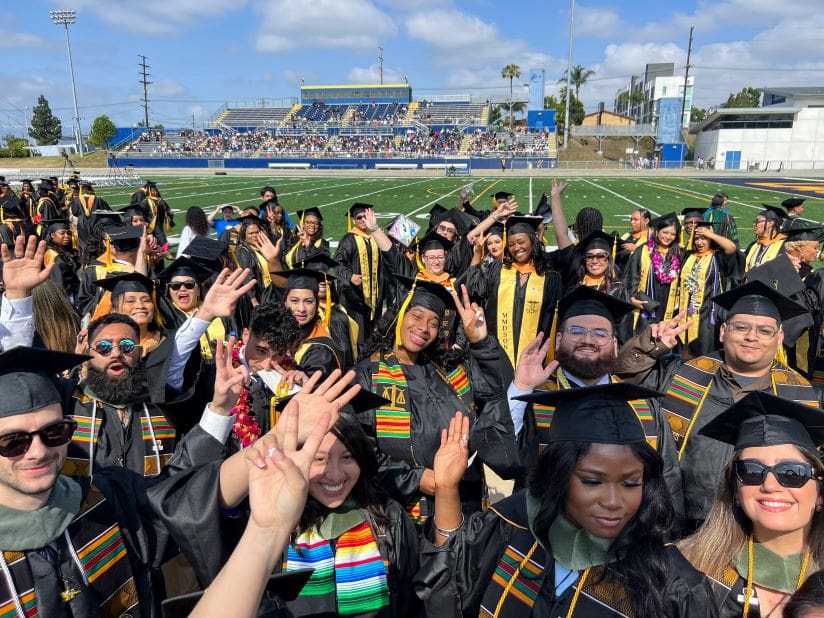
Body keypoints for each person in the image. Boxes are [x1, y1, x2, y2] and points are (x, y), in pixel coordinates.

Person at [417, 384, 716, 617]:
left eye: (630, 483)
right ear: (558, 476)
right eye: (592, 481)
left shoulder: (670, 579)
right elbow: (451, 590)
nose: (614, 501)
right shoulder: (516, 524)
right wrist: (446, 489)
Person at [615, 281, 823, 532]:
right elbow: (625, 376)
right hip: (683, 523)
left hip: (764, 528)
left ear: (779, 338)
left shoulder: (804, 394)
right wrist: (648, 345)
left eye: (764, 330)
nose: (751, 336)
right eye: (741, 327)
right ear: (723, 331)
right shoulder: (680, 375)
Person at [505, 286, 683, 512]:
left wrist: (666, 540)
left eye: (600, 334)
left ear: (615, 346)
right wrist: (521, 386)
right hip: (547, 536)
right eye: (577, 331)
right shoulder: (535, 400)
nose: (588, 340)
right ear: (558, 340)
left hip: (629, 539)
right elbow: (503, 458)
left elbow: (667, 479)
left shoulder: (642, 404)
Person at [355, 280, 519, 521]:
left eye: (433, 323)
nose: (423, 328)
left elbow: (496, 394)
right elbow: (359, 448)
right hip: (404, 514)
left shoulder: (451, 371)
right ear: (400, 314)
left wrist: (480, 342)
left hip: (464, 504)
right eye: (417, 316)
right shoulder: (368, 375)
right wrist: (416, 478)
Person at [680, 392, 824, 617]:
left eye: (792, 472)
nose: (770, 485)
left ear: (820, 493)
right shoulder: (685, 573)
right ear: (735, 490)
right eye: (751, 471)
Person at [466, 214, 562, 372]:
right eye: (511, 244)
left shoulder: (550, 278)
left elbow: (552, 319)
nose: (516, 248)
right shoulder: (498, 269)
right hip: (497, 358)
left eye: (521, 242)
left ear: (532, 241)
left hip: (535, 361)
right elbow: (475, 289)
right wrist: (477, 254)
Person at [676, 221, 741, 358]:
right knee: (684, 353)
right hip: (685, 312)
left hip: (708, 315)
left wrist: (710, 233)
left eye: (704, 238)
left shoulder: (718, 257)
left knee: (704, 353)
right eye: (697, 238)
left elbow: (731, 248)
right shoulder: (689, 257)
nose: (700, 242)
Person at [274, 268, 341, 378]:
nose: (301, 308)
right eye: (294, 301)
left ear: (316, 305)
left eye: (309, 301)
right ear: (285, 302)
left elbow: (313, 380)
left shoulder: (320, 349)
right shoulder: (281, 331)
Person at [334, 203, 385, 345]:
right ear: (353, 221)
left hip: (375, 294)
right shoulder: (349, 239)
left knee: (372, 330)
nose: (362, 220)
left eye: (365, 216)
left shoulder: (375, 237)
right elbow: (338, 263)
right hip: (354, 296)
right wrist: (350, 276)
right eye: (359, 217)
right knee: (358, 334)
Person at [625, 212, 684, 332]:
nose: (668, 237)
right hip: (646, 305)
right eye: (665, 232)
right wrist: (632, 298)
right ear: (657, 232)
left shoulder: (680, 254)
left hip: (670, 305)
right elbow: (632, 277)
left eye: (673, 234)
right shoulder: (643, 251)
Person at [41, 218, 80, 300]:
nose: (67, 236)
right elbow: (59, 282)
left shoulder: (64, 250)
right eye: (62, 233)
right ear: (52, 235)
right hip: (62, 296)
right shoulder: (53, 255)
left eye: (69, 233)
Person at [746, 205, 788, 272]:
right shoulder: (754, 245)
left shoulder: (784, 247)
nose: (754, 224)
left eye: (758, 221)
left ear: (771, 223)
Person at [616, 208, 651, 275]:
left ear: (646, 221)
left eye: (635, 220)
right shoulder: (627, 235)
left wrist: (636, 250)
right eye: (631, 219)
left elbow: (655, 259)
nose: (632, 222)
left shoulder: (652, 239)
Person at [139, 181, 174, 246]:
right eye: (153, 191)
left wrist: (169, 212)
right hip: (152, 224)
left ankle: (157, 251)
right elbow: (140, 212)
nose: (155, 192)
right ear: (149, 192)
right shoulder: (146, 201)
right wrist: (144, 222)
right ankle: (168, 254)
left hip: (160, 222)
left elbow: (166, 207)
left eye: (156, 191)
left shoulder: (160, 200)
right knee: (162, 238)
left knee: (156, 239)